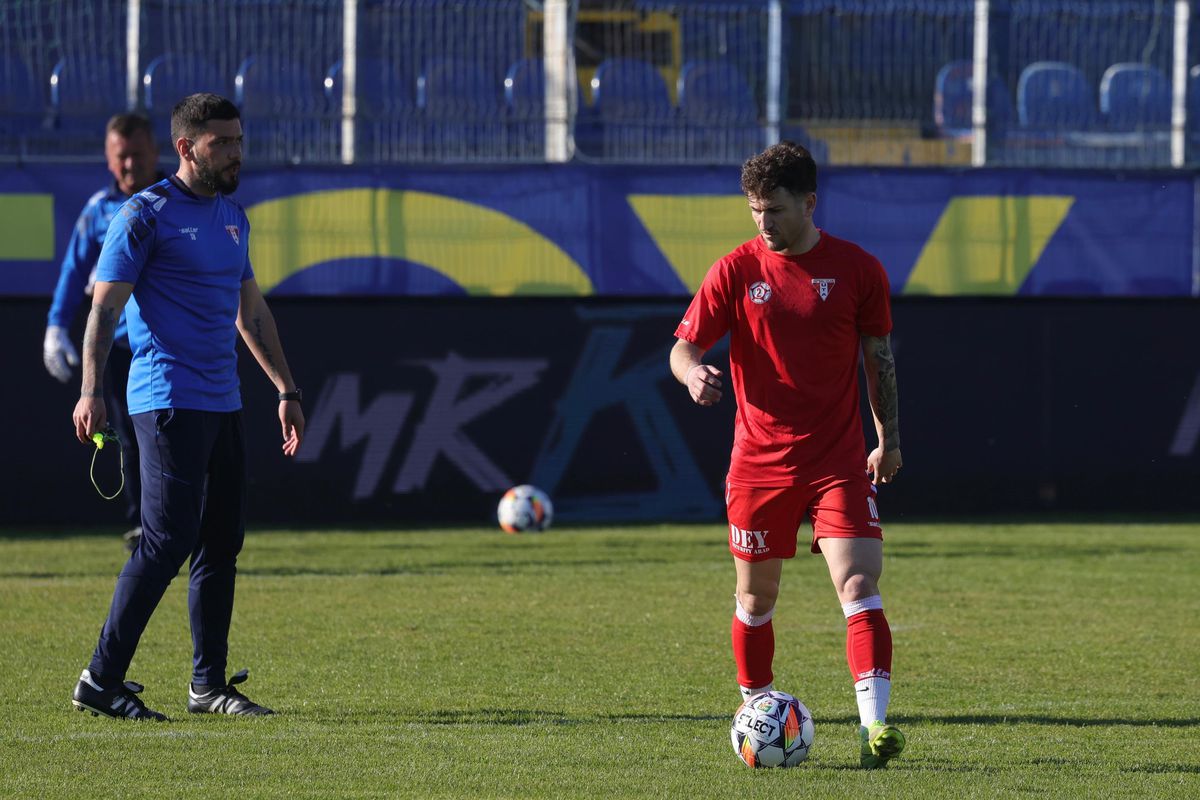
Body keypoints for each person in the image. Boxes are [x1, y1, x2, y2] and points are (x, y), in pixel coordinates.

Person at [670, 141, 906, 769]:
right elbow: (682, 346)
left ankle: (874, 728)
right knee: (755, 601)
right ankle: (757, 710)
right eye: (754, 211)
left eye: (774, 210)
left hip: (838, 459)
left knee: (859, 583)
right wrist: (693, 374)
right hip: (758, 463)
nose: (763, 223)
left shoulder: (858, 270)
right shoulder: (735, 271)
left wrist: (889, 439)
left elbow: (878, 363)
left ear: (808, 202)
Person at [69, 93, 305, 721]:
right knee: (166, 538)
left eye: (237, 140)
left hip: (223, 401)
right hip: (166, 399)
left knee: (221, 541)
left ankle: (209, 686)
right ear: (185, 148)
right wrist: (91, 388)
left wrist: (285, 389)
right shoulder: (144, 215)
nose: (235, 153)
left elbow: (250, 311)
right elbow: (103, 309)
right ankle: (100, 677)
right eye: (220, 143)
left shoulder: (233, 217)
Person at [44, 113, 164, 551]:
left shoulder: (182, 198)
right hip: (121, 347)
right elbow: (73, 271)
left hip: (172, 344)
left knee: (184, 433)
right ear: (109, 160)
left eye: (137, 154)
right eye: (121, 157)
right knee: (130, 435)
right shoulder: (99, 210)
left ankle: (189, 518)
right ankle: (142, 523)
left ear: (156, 151)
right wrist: (56, 325)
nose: (130, 165)